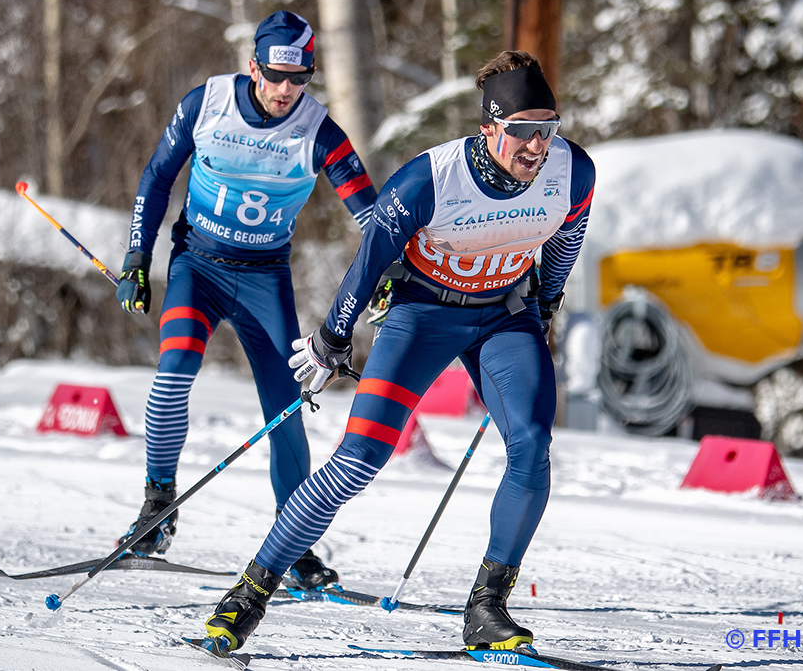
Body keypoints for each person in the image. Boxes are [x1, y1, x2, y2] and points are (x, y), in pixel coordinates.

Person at [201, 50, 595, 654]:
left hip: (502, 316)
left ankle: (488, 607)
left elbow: (566, 239)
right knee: (357, 460)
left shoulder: (573, 172)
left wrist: (544, 305)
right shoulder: (429, 180)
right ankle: (252, 589)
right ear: (490, 127)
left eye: (548, 129)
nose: (538, 147)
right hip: (422, 315)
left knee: (533, 445)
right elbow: (369, 261)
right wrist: (334, 337)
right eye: (523, 132)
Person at [113, 10, 376, 591]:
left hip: (263, 278)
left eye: (300, 78)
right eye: (277, 75)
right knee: (174, 369)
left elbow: (371, 214)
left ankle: (296, 544)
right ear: (253, 65)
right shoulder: (205, 104)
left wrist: (391, 270)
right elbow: (158, 178)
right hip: (197, 267)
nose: (287, 90)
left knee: (285, 407)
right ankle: (158, 508)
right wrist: (137, 257)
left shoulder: (320, 131)